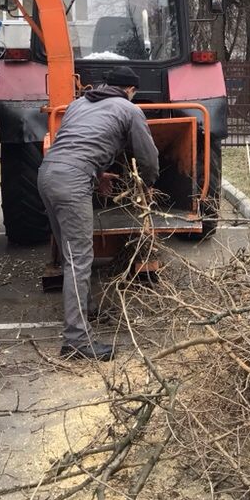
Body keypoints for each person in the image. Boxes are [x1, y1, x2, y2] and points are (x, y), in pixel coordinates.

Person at [37, 66, 160, 361]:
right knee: (79, 258)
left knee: (71, 254)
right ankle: (77, 340)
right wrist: (148, 183)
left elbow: (77, 144)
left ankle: (86, 309)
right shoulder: (129, 109)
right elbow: (148, 156)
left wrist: (98, 174)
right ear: (131, 90)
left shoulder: (79, 103)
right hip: (72, 182)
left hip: (47, 173)